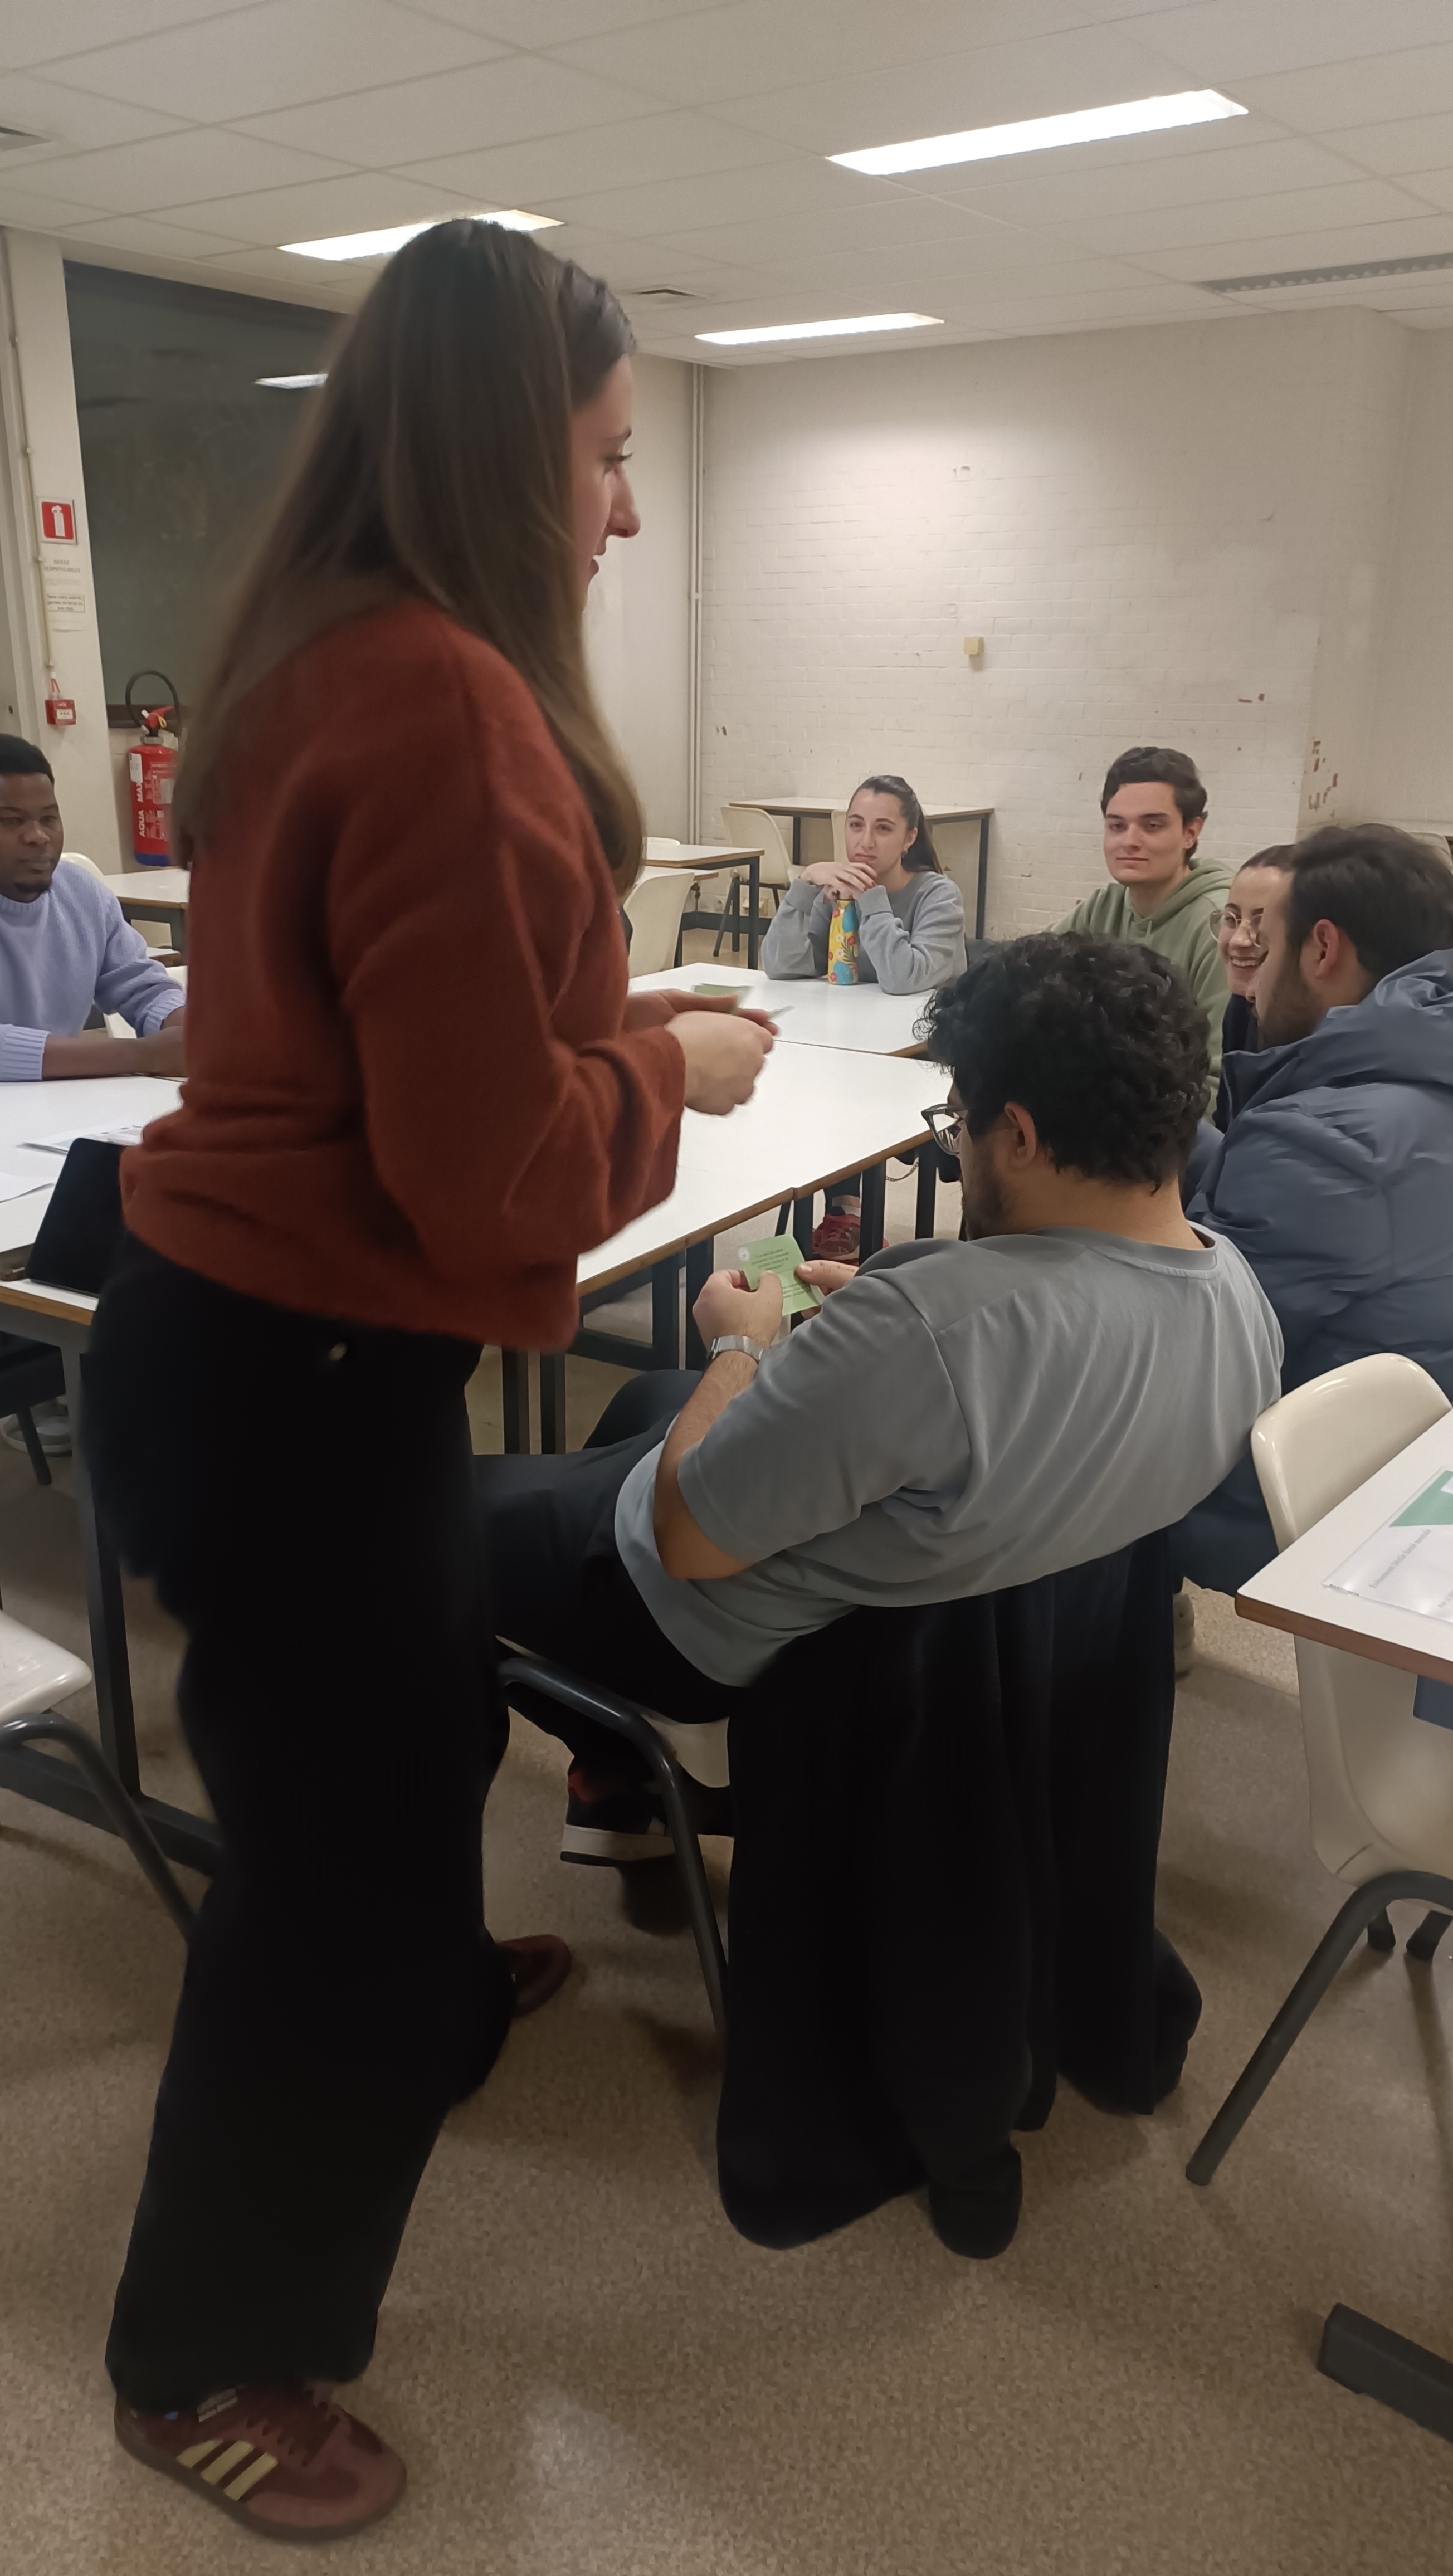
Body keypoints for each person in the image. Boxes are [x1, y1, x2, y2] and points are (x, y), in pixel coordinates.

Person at [82, 223, 771, 2543]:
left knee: (397, 1767)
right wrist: (667, 1071)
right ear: (505, 450)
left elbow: (409, 1045)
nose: (626, 509)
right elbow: (494, 1178)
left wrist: (606, 1020)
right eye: (607, 456)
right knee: (328, 1869)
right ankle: (199, 2359)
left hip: (256, 1339)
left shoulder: (323, 652)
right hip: (300, 1365)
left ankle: (429, 1996)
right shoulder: (449, 703)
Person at [477, 933, 1282, 1867]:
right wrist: (887, 1321)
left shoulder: (925, 1334)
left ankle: (558, 1808)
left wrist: (740, 1345)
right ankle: (622, 1780)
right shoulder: (1239, 1303)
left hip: (706, 1618)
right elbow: (1039, 1346)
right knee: (651, 1398)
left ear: (1020, 1136)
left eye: (959, 1123)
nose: (957, 1146)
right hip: (933, 1597)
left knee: (405, 1532)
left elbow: (687, 1540)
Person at [1173, 824, 1453, 1608]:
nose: (1249, 969)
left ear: (1322, 948)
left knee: (1050, 1419)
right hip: (1425, 1437)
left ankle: (1098, 1656)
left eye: (1266, 944)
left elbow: (1190, 1346)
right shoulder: (1409, 1079)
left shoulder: (1328, 1139)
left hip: (1344, 1487)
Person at [763, 774, 966, 1259]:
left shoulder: (938, 895)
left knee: (846, 1084)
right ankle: (846, 1210)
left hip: (926, 1058)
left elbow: (905, 976)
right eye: (855, 826)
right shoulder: (837, 892)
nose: (865, 842)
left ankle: (853, 1211)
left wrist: (870, 898)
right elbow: (783, 965)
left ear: (910, 837)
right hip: (853, 1045)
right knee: (813, 1075)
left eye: (882, 829)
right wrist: (804, 888)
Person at [0, 735, 185, 1080]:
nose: (38, 836)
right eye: (11, 821)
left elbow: (141, 986)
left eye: (48, 818)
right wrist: (140, 1055)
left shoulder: (82, 894)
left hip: (61, 1101)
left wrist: (189, 1032)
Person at [1054, 746, 1231, 1101]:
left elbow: (1220, 1080)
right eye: (1117, 826)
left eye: (1152, 826)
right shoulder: (1103, 908)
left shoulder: (1219, 925)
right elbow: (1020, 977)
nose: (1130, 842)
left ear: (1190, 833)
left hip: (1177, 1121)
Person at [1210, 848, 1286, 1129]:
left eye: (1262, 923)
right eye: (1232, 919)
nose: (1239, 940)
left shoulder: (1303, 1029)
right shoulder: (1241, 1007)